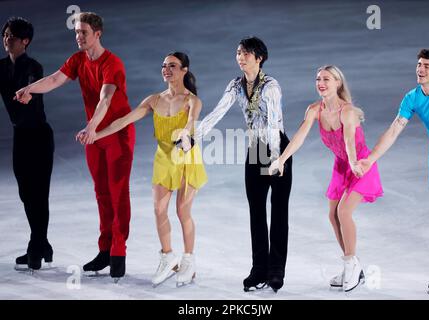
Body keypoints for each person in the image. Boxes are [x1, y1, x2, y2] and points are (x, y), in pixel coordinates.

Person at [15, 12, 135, 280]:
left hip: (117, 134)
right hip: (92, 136)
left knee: (118, 193)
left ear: (98, 34)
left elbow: (105, 100)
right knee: (101, 193)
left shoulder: (112, 62)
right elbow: (56, 79)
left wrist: (92, 127)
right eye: (76, 33)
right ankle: (104, 250)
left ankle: (118, 251)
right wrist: (30, 89)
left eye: (84, 33)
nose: (78, 37)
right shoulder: (78, 59)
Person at [81, 52, 207, 286]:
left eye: (172, 66)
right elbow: (123, 121)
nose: (166, 69)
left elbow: (190, 124)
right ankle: (168, 256)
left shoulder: (192, 101)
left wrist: (186, 137)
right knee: (159, 211)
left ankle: (189, 260)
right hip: (163, 159)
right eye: (164, 66)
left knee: (182, 212)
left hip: (186, 157)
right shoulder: (154, 100)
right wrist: (95, 133)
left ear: (184, 70)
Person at [182, 37, 292, 292]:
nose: (240, 57)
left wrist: (278, 158)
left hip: (277, 149)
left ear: (259, 57)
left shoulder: (271, 87)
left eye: (246, 53)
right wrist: (193, 136)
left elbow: (275, 123)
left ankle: (276, 271)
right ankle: (259, 269)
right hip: (255, 150)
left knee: (278, 212)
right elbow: (217, 112)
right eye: (238, 53)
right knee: (256, 211)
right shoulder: (235, 85)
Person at [269, 65, 383, 292]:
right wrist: (281, 159)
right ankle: (352, 264)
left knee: (343, 212)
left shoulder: (348, 111)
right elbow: (300, 135)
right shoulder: (314, 109)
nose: (321, 83)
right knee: (332, 215)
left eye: (327, 79)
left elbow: (350, 141)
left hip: (360, 164)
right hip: (341, 166)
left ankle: (351, 264)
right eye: (318, 79)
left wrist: (353, 163)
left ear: (338, 83)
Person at [356, 49, 429, 295]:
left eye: (426, 66)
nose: (420, 69)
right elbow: (395, 129)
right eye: (419, 64)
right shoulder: (412, 97)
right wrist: (370, 159)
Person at [0, 17, 54, 271]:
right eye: (5, 35)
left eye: (12, 36)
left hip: (39, 137)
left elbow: (30, 96)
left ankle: (36, 246)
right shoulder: (0, 67)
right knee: (25, 193)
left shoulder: (34, 67)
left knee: (38, 194)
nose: (6, 40)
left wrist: (27, 92)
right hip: (20, 136)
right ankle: (42, 243)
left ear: (25, 41)